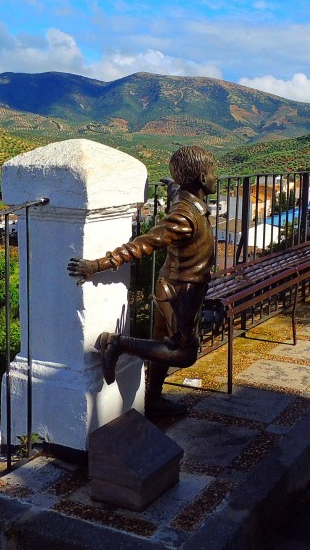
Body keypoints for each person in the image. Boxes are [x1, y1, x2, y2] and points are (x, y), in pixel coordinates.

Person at [67, 145, 217, 418]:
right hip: (179, 292)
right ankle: (117, 343)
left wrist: (174, 186)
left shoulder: (188, 202)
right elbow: (143, 244)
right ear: (202, 180)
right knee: (184, 354)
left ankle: (153, 399)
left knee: (164, 344)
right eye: (213, 172)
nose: (217, 177)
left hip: (181, 289)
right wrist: (98, 265)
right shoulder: (186, 215)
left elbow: (177, 196)